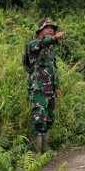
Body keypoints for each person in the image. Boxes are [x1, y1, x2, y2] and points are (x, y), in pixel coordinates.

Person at [23, 18, 65, 153]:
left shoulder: (50, 50)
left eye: (53, 28)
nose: (51, 30)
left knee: (48, 119)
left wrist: (57, 87)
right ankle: (35, 154)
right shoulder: (33, 45)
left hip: (49, 91)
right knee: (38, 119)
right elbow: (43, 43)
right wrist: (54, 39)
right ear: (40, 31)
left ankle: (45, 150)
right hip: (38, 90)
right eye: (47, 28)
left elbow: (53, 69)